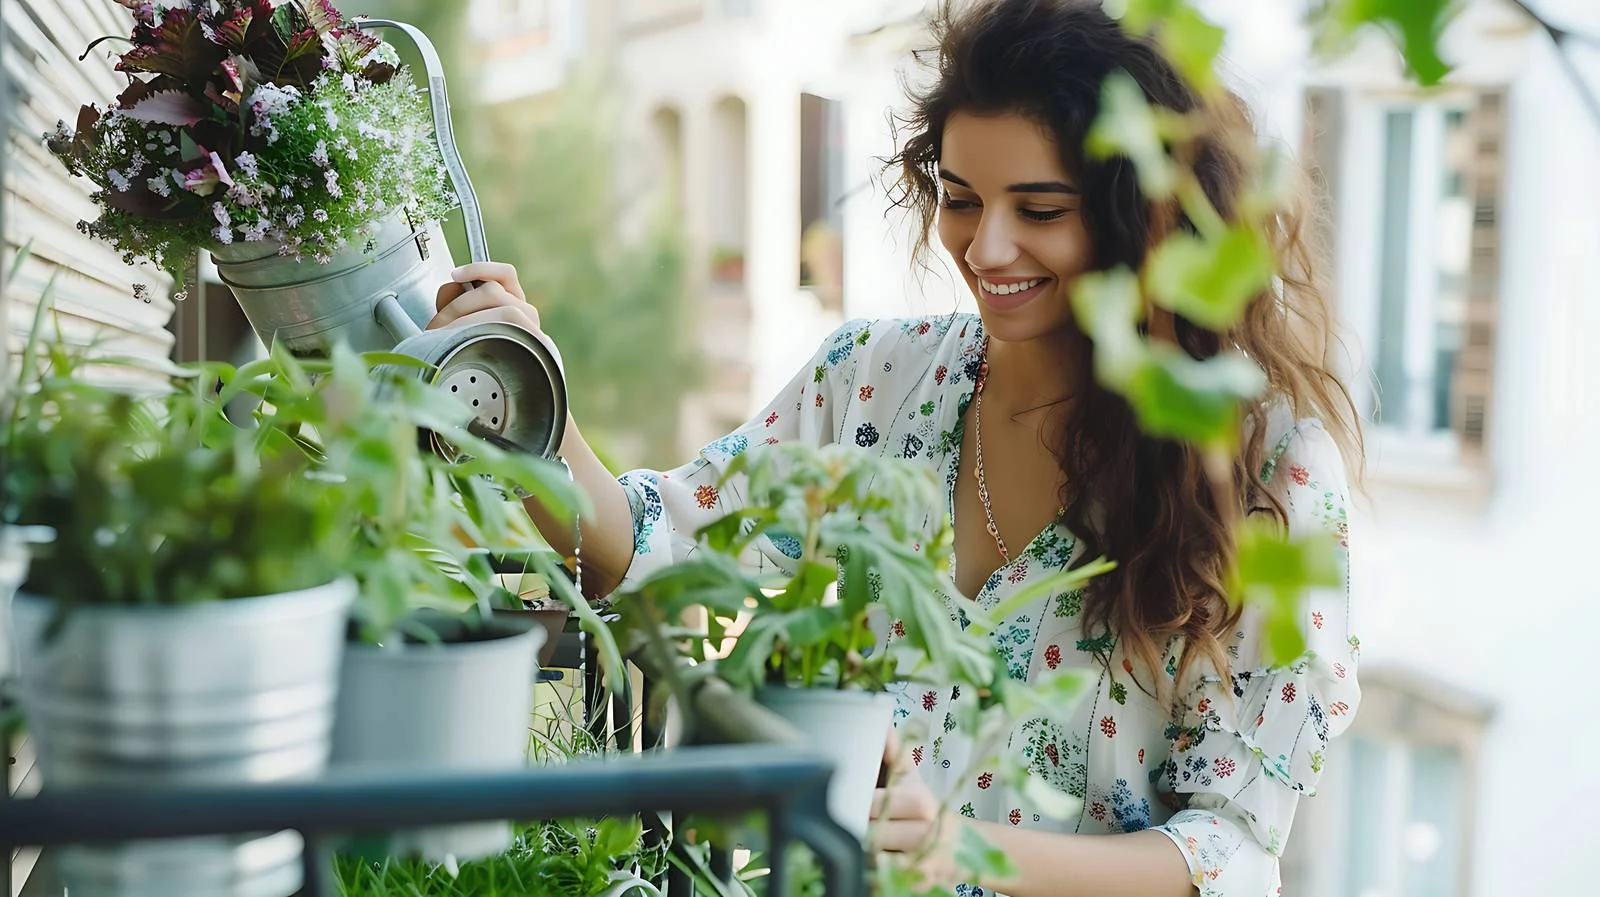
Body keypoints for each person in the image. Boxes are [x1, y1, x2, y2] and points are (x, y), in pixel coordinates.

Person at [431, 1, 1362, 894]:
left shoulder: (1264, 465)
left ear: (1142, 220)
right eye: (960, 199)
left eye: (1040, 211)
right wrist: (525, 386)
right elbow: (655, 548)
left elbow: (1231, 851)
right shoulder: (873, 379)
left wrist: (960, 850)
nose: (987, 248)